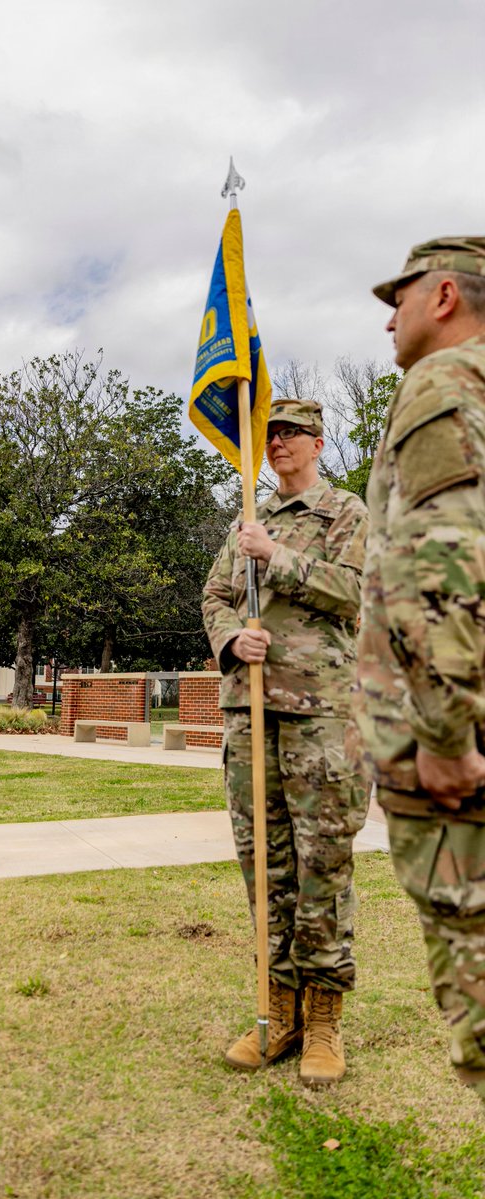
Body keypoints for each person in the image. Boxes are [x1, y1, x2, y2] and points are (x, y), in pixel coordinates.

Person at [202, 398, 370, 1085]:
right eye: (269, 433)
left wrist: (278, 559)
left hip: (320, 716)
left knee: (321, 868)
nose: (276, 443)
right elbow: (213, 594)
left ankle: (325, 1018)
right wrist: (229, 638)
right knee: (265, 869)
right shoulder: (251, 516)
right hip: (252, 713)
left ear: (318, 442)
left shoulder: (345, 514)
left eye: (290, 433)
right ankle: (279, 1012)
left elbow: (354, 591)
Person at [355, 237, 485, 1101]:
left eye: (396, 298)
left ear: (443, 295)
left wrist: (443, 732)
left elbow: (441, 565)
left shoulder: (443, 384)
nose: (387, 316)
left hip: (454, 756)